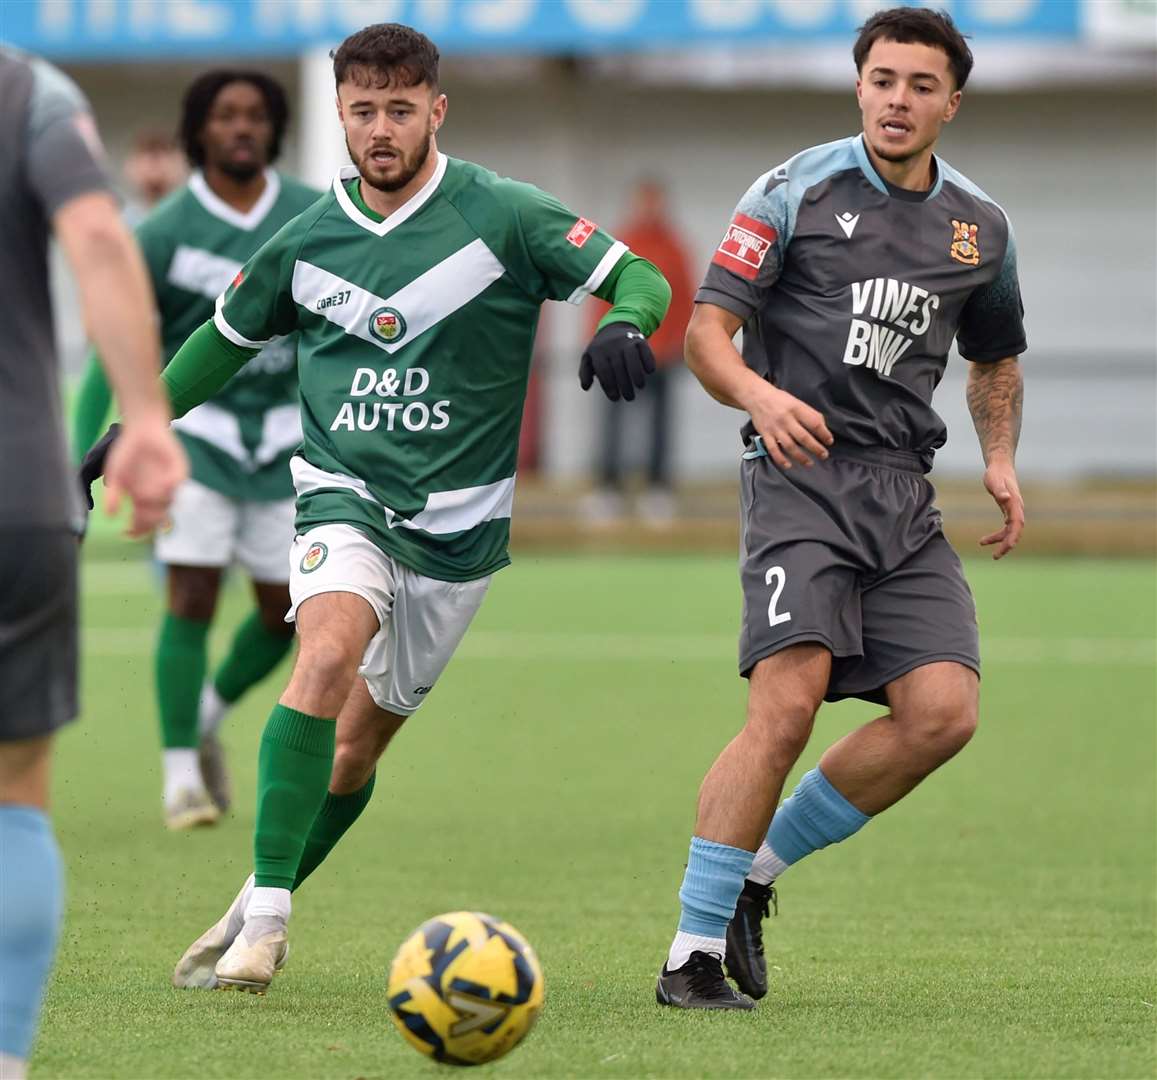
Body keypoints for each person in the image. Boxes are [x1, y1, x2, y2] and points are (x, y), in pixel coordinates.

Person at [82, 22, 670, 995]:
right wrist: (135, 418)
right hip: (340, 495)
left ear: (436, 110)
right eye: (363, 111)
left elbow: (633, 274)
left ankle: (254, 889)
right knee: (320, 654)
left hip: (459, 535)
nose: (381, 128)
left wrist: (626, 322)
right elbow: (222, 340)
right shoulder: (305, 240)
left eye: (400, 109)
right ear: (342, 118)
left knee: (354, 750)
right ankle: (269, 924)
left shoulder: (506, 214)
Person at [656, 6, 1027, 1010]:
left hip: (902, 494)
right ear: (855, 84)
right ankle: (688, 956)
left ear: (951, 99)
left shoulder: (978, 225)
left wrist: (997, 459)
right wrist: (763, 398)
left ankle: (753, 878)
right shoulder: (792, 189)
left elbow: (993, 355)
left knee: (942, 715)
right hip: (798, 480)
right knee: (782, 709)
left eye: (917, 84)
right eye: (879, 80)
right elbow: (706, 336)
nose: (895, 99)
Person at [0, 46, 187, 1079]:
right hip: (16, 493)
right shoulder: (31, 93)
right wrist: (147, 418)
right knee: (15, 793)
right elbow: (99, 242)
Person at [73, 71, 321, 829]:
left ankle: (209, 712)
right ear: (199, 131)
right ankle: (179, 774)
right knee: (190, 592)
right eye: (224, 116)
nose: (240, 127)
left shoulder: (312, 216)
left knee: (289, 614)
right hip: (198, 436)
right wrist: (83, 453)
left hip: (288, 438)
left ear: (274, 129)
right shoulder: (165, 232)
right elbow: (107, 348)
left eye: (255, 115)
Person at [583, 179, 695, 526]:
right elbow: (600, 295)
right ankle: (608, 488)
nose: (649, 207)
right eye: (644, 201)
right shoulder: (619, 243)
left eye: (654, 201)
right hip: (620, 351)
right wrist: (598, 340)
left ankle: (657, 489)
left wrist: (681, 343)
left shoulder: (675, 247)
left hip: (660, 356)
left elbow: (686, 299)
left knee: (660, 424)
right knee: (612, 423)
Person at [121, 128, 185, 225]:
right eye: (146, 152)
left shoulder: (197, 217)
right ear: (130, 167)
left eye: (164, 150)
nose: (155, 161)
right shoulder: (116, 221)